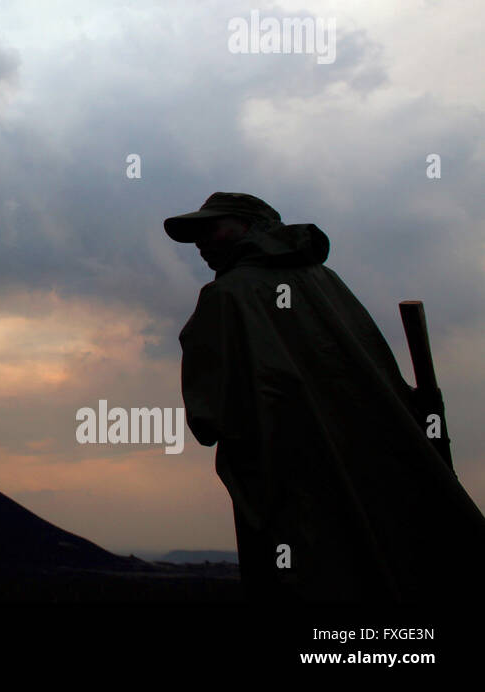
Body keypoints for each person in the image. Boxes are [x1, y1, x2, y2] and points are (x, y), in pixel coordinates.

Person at [165, 192, 485, 602]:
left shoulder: (228, 295)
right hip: (378, 466)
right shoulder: (325, 281)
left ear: (251, 227)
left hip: (297, 483)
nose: (201, 244)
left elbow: (210, 416)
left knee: (314, 575)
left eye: (210, 228)